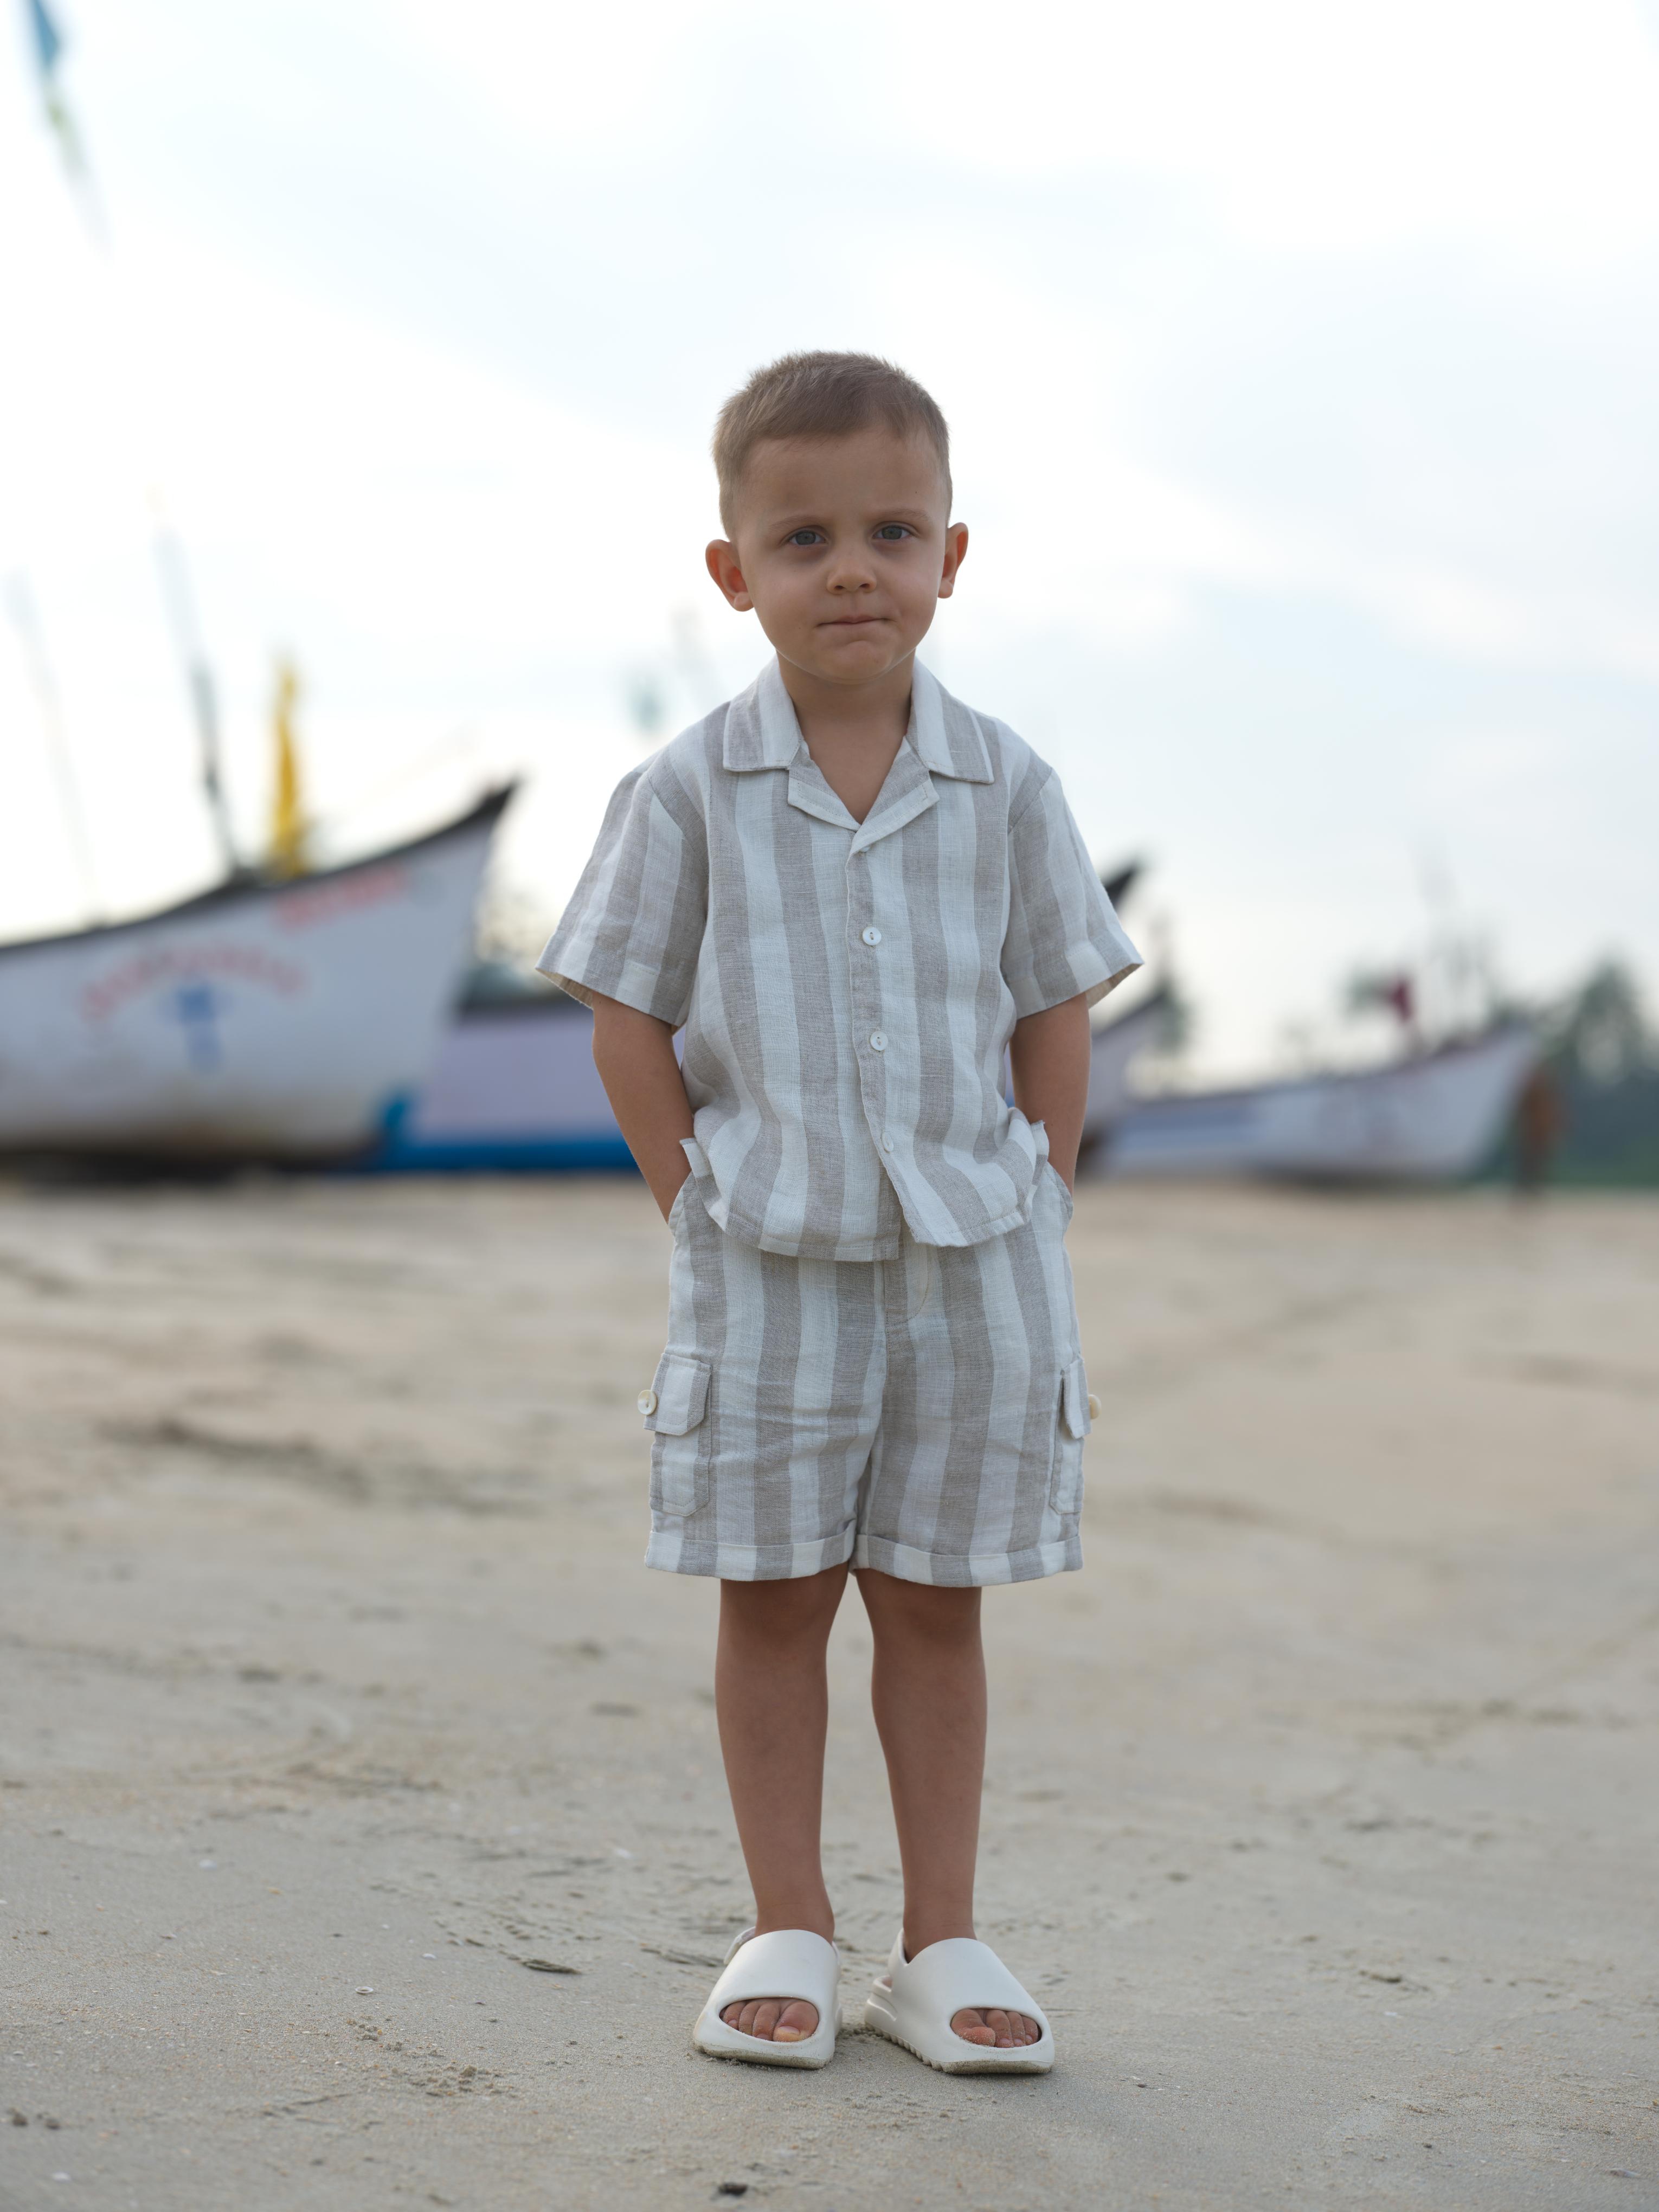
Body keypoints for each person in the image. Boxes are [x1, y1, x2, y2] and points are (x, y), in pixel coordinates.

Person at [539, 352, 1139, 2075]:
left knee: (937, 1598)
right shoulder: (687, 787)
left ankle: (941, 1945)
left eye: (891, 530)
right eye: (803, 538)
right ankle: (783, 1920)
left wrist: (1042, 1183)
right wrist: (690, 1200)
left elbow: (1055, 999)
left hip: (975, 1261)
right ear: (734, 573)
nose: (852, 569)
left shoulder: (1006, 783)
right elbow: (625, 1008)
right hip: (768, 1257)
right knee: (776, 1592)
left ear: (954, 554)